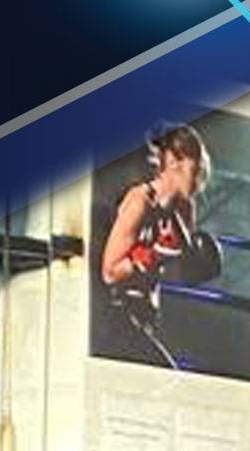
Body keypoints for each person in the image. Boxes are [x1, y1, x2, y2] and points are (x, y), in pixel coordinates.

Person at [96, 123, 221, 368]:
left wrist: (198, 260)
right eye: (196, 167)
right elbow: (110, 272)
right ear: (174, 162)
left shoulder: (184, 208)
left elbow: (186, 269)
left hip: (148, 316)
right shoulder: (140, 201)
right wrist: (154, 254)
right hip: (117, 316)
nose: (201, 177)